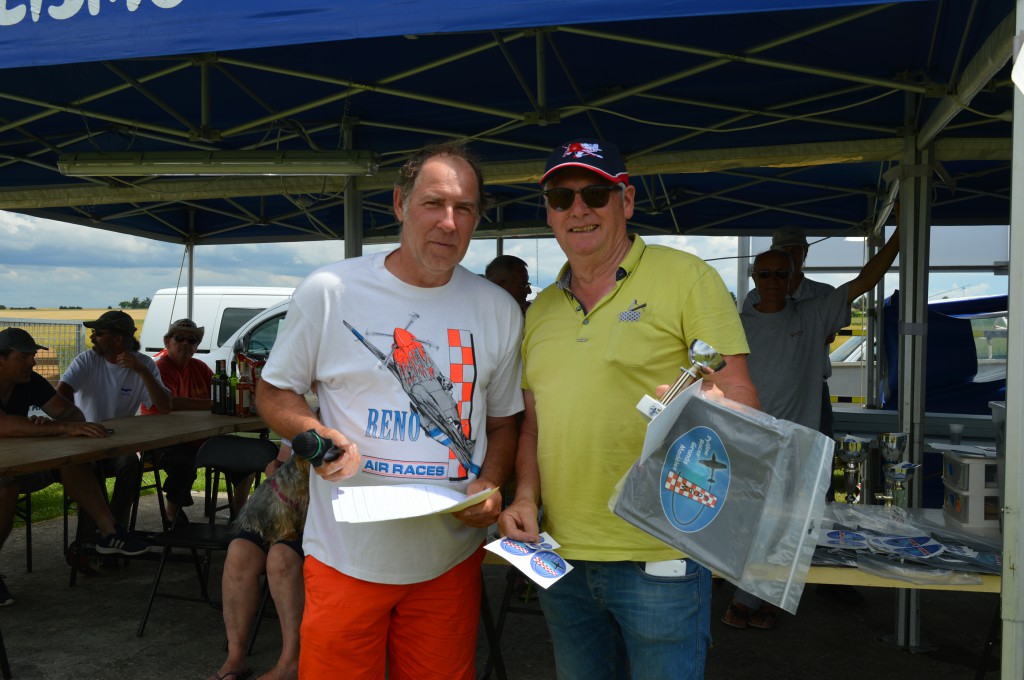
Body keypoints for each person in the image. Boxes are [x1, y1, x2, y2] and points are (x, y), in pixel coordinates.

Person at [256, 140, 524, 679]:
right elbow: (274, 393)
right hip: (346, 558)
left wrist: (490, 485)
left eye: (464, 208)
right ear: (400, 204)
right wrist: (313, 435)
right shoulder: (330, 290)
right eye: (433, 203)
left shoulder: (497, 309)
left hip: (449, 562)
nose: (448, 223)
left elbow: (501, 423)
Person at [498, 138, 759, 680]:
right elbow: (533, 425)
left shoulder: (686, 277)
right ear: (548, 212)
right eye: (560, 197)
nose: (578, 208)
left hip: (659, 552)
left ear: (627, 201)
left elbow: (740, 398)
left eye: (595, 192)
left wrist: (698, 404)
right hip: (560, 556)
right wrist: (524, 496)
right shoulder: (542, 309)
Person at [723, 227, 900, 630]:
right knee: (750, 520)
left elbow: (863, 281)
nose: (772, 281)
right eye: (764, 274)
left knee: (789, 521)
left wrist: (898, 238)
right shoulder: (736, 326)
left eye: (780, 274)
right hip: (750, 442)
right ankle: (749, 594)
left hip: (798, 443)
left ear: (792, 279)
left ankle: (761, 599)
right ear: (753, 278)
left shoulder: (814, 313)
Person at [0, 328, 151, 602]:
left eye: (33, 356)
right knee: (6, 490)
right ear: (1, 359)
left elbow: (71, 412)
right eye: (24, 357)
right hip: (7, 473)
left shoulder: (29, 381)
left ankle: (108, 532)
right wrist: (57, 429)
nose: (32, 363)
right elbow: (4, 425)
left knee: (70, 461)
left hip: (16, 463)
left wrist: (59, 426)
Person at [57, 310, 172, 549]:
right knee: (88, 467)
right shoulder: (87, 360)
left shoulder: (145, 364)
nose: (93, 337)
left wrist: (141, 370)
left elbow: (164, 406)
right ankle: (89, 543)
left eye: (98, 332)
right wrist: (77, 422)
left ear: (118, 339)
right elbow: (63, 391)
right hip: (87, 442)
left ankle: (116, 532)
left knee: (131, 463)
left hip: (119, 443)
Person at [142, 318, 251, 525]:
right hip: (164, 442)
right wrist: (212, 404)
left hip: (201, 439)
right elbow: (171, 403)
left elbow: (224, 397)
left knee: (246, 457)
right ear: (167, 342)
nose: (186, 343)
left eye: (192, 340)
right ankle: (172, 515)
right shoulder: (160, 369)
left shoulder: (200, 368)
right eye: (179, 338)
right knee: (185, 464)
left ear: (197, 346)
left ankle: (240, 517)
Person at [209, 441, 303, 680]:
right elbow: (279, 465)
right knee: (239, 551)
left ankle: (291, 662)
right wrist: (275, 472)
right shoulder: (298, 419)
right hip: (281, 511)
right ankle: (235, 658)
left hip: (316, 521)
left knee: (281, 558)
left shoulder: (350, 424)